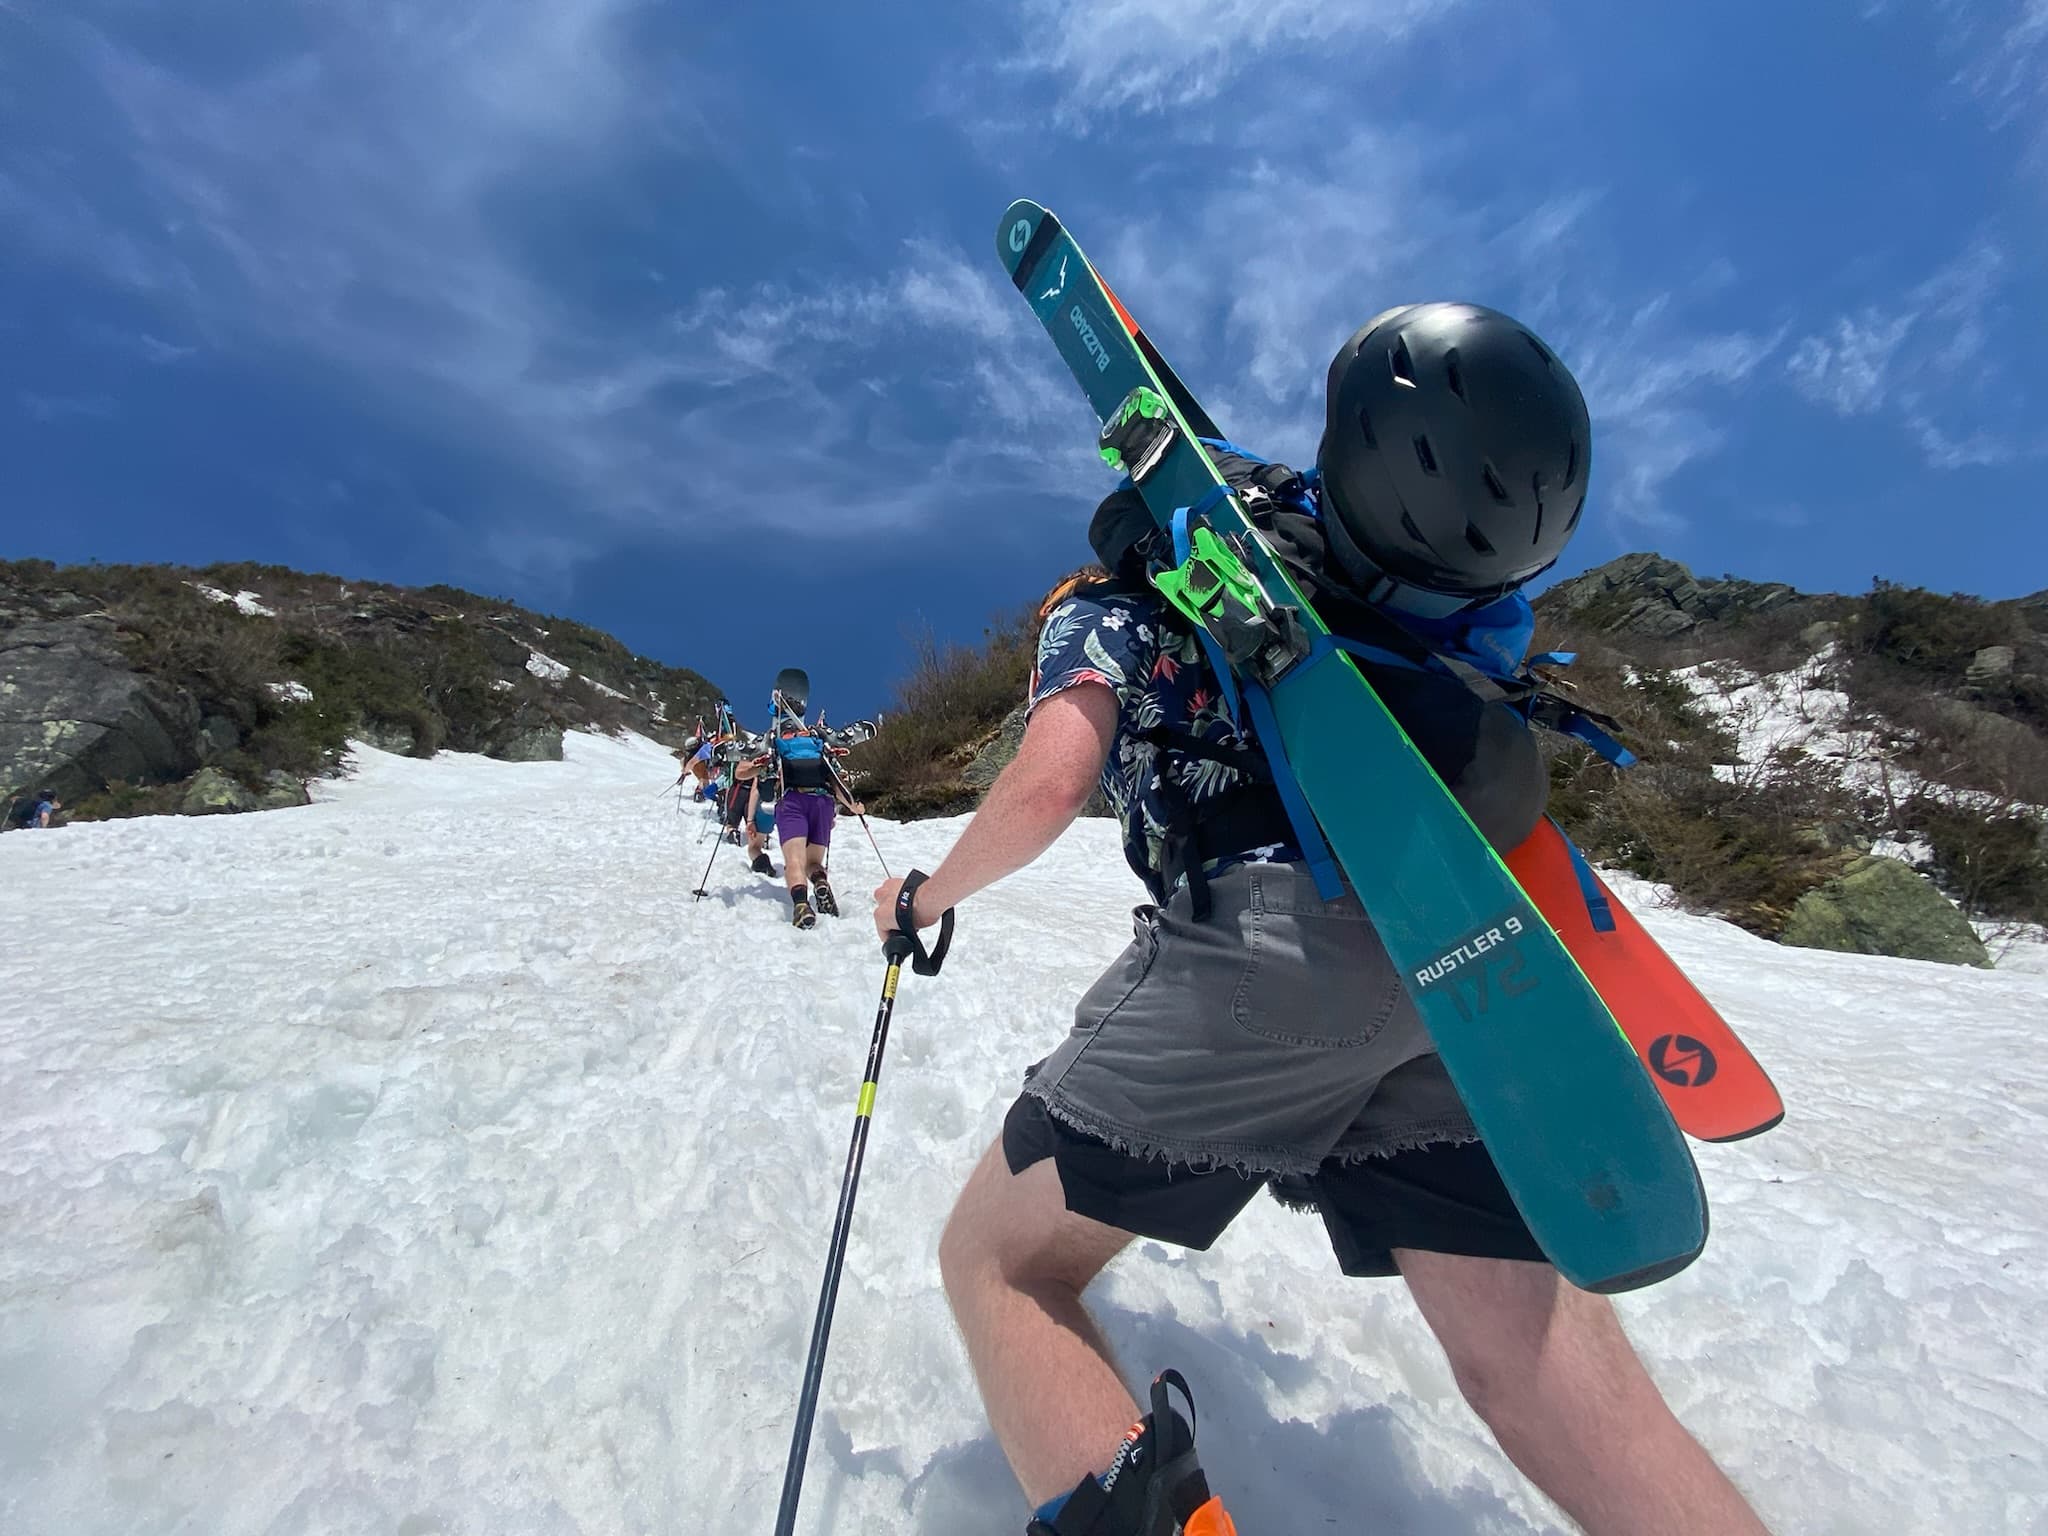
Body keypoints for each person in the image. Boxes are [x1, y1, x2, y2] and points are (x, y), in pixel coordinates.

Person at [875, 304, 1772, 1535]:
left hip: (1269, 955)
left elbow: (1043, 788)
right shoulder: (1368, 598)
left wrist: (920, 897)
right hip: (1460, 963)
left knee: (998, 1262)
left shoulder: (1105, 610)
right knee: (1536, 1371)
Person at [774, 715, 863, 929]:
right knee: (812, 862)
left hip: (792, 801)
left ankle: (802, 905)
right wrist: (853, 806)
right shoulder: (818, 748)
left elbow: (758, 774)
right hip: (823, 803)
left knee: (795, 860)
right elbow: (835, 779)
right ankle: (820, 882)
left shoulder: (780, 748)